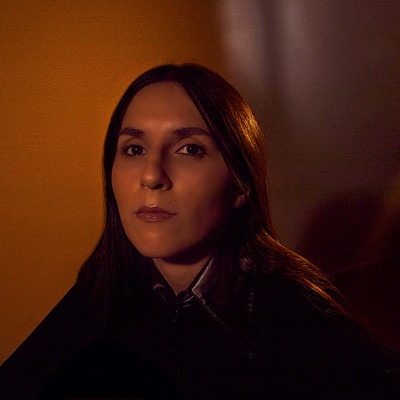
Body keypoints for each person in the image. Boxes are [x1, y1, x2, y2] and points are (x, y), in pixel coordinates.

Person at [1, 64, 399, 399]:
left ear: (241, 185)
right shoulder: (103, 288)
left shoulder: (297, 316)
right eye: (134, 149)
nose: (152, 175)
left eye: (190, 149)